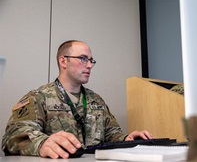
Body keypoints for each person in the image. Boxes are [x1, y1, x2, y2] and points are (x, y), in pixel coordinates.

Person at [1, 40, 153, 159]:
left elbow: (111, 133)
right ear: (63, 61)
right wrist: (41, 143)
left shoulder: (96, 100)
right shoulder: (38, 98)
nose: (89, 65)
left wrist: (127, 138)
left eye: (90, 60)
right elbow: (13, 137)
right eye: (82, 59)